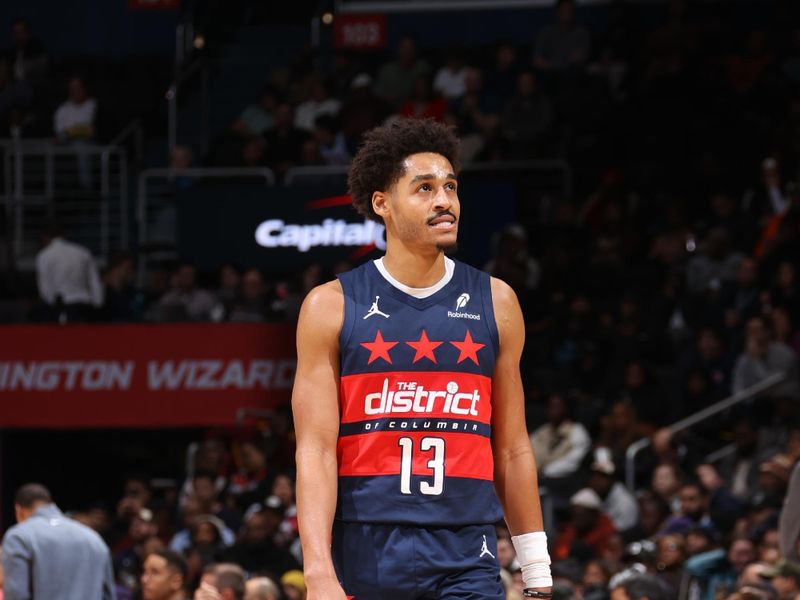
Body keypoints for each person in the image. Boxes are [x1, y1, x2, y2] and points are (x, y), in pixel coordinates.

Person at [292, 118, 552, 599]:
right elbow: (315, 450)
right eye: (425, 188)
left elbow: (513, 447)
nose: (444, 200)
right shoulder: (330, 305)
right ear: (382, 203)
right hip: (364, 544)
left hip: (466, 549)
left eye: (451, 187)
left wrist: (535, 568)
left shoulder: (496, 301)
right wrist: (317, 572)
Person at [1, 483, 115, 599]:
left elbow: (16, 594)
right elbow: (108, 595)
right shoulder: (95, 540)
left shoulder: (19, 536)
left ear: (18, 510)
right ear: (51, 504)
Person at [35, 222, 104, 322]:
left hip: (63, 308)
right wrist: (98, 306)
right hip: (86, 306)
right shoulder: (83, 252)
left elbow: (45, 290)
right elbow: (95, 282)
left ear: (44, 237)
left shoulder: (44, 256)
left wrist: (53, 311)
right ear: (63, 235)